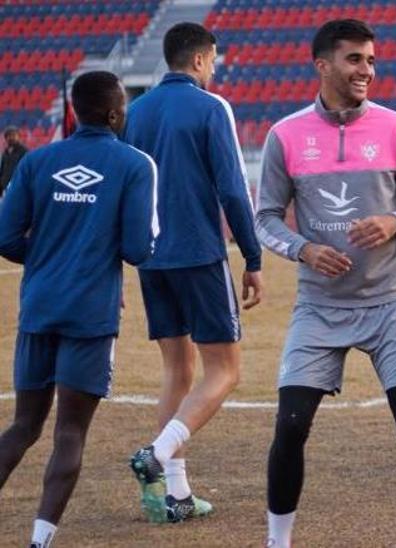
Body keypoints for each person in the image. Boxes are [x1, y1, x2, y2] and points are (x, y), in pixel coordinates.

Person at [253, 19, 396, 547]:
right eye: (354, 60)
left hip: (391, 305)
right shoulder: (286, 134)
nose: (366, 70)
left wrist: (394, 222)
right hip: (319, 308)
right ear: (322, 65)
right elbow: (266, 218)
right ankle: (277, 542)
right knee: (291, 426)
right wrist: (303, 248)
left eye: (370, 59)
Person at [0, 70, 156, 548]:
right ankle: (40, 540)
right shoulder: (135, 164)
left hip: (39, 308)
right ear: (114, 113)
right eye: (124, 108)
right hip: (90, 315)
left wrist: (49, 255)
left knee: (24, 424)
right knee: (70, 431)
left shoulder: (38, 161)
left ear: (73, 110)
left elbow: (5, 237)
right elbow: (137, 248)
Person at [123, 21, 264, 523]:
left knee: (176, 370)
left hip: (151, 258)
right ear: (203, 59)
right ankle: (157, 456)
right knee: (225, 371)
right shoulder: (211, 106)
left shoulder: (135, 111)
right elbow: (231, 188)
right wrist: (253, 256)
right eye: (214, 60)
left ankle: (176, 495)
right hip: (199, 254)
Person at [1, 125, 27, 195]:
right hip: (5, 186)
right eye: (9, 136)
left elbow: (26, 169)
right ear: (6, 138)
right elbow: (2, 170)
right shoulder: (5, 152)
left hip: (18, 185)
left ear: (18, 137)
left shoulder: (24, 151)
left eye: (14, 135)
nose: (11, 138)